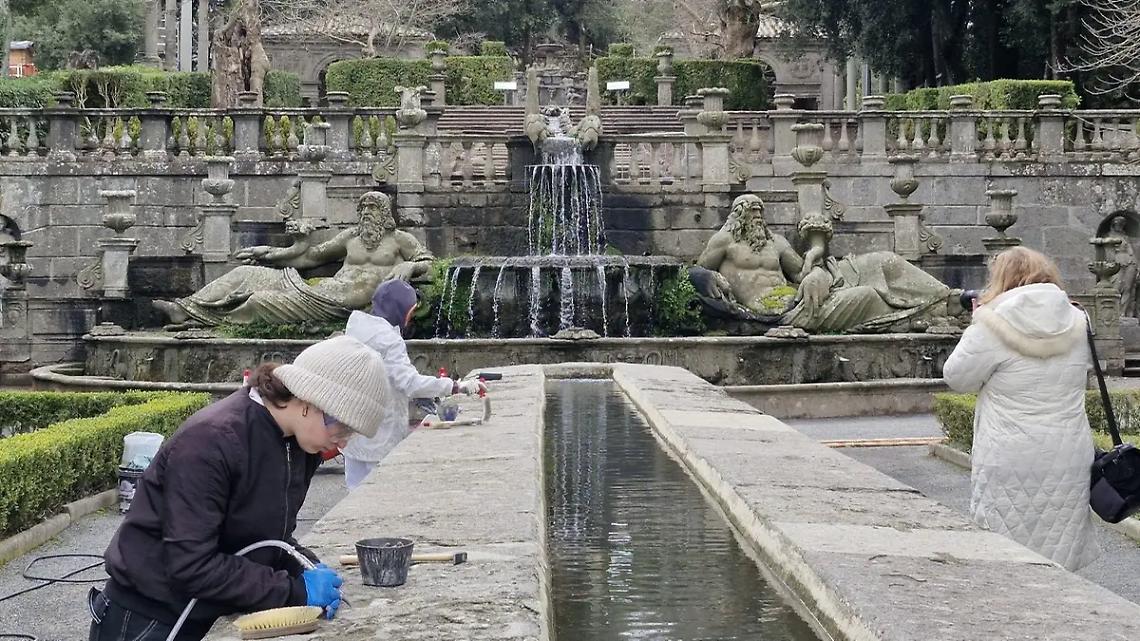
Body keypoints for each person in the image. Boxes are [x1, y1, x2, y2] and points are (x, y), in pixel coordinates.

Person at [89, 336, 391, 641]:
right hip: (151, 620)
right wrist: (293, 590)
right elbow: (191, 565)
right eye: (341, 428)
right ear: (310, 402)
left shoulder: (299, 445)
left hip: (210, 610)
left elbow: (267, 539)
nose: (342, 442)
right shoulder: (211, 441)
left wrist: (306, 566)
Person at [942, 246, 1099, 571]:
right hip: (1067, 453)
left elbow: (956, 377)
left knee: (1006, 549)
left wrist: (976, 322)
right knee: (1060, 545)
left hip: (1009, 454)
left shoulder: (990, 324)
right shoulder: (1078, 320)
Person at [153, 191, 434, 329]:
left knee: (258, 301)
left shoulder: (400, 240)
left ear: (386, 213)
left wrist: (410, 265)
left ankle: (209, 320)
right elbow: (311, 256)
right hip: (316, 289)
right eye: (363, 209)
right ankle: (185, 309)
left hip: (338, 305)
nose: (367, 214)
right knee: (245, 274)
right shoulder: (351, 237)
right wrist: (272, 253)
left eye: (374, 208)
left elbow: (428, 263)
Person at [340, 279, 486, 490]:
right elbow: (409, 383)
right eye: (411, 310)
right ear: (399, 309)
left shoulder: (356, 327)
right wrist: (454, 386)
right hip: (380, 432)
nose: (411, 316)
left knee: (353, 494)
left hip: (353, 430)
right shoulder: (389, 340)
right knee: (380, 496)